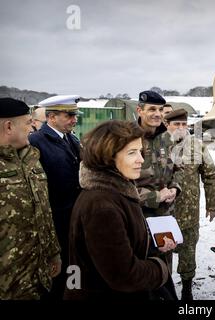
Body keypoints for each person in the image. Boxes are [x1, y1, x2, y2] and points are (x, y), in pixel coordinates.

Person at [64, 120, 177, 300]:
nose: (141, 159)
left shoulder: (116, 191)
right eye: (132, 153)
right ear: (108, 157)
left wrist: (153, 247)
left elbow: (118, 248)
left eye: (140, 151)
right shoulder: (102, 205)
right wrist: (160, 268)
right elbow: (125, 276)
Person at [0, 98, 61, 299]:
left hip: (37, 275)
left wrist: (53, 253)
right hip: (8, 282)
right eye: (28, 123)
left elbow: (44, 208)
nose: (32, 128)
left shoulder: (31, 159)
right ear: (9, 126)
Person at [28, 95, 82, 299]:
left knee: (74, 265)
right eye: (69, 115)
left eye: (75, 115)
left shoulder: (71, 138)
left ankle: (73, 294)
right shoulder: (36, 142)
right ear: (51, 117)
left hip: (73, 218)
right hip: (54, 222)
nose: (74, 119)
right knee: (57, 272)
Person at [165, 109, 215, 300]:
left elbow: (210, 175)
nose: (181, 128)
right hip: (162, 214)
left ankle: (187, 289)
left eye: (183, 124)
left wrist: (212, 204)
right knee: (163, 255)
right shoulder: (158, 147)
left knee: (188, 253)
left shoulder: (197, 146)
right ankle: (165, 288)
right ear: (167, 125)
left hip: (189, 213)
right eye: (176, 124)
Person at [134, 90, 183, 272]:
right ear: (139, 110)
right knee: (142, 272)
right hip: (138, 220)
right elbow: (121, 186)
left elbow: (178, 170)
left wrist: (174, 189)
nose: (157, 114)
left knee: (164, 269)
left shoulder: (167, 139)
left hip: (164, 219)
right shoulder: (128, 139)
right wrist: (155, 196)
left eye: (161, 110)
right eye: (151, 109)